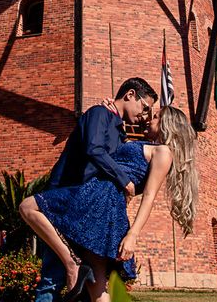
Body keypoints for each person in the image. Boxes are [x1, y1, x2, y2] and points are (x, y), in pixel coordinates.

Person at [21, 105, 198, 302]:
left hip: (100, 200)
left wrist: (132, 235)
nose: (149, 119)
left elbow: (149, 197)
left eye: (156, 117)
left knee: (28, 207)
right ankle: (75, 265)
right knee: (96, 283)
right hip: (100, 199)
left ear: (168, 125)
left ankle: (71, 263)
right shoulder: (148, 145)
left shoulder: (164, 152)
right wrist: (115, 116)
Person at [24, 78, 157, 302]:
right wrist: (124, 181)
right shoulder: (99, 113)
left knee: (90, 284)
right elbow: (93, 149)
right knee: (52, 276)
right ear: (130, 95)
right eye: (145, 107)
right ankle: (71, 265)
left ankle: (72, 267)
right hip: (68, 197)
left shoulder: (118, 129)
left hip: (90, 207)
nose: (145, 115)